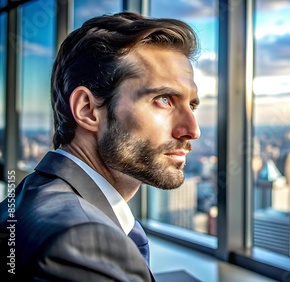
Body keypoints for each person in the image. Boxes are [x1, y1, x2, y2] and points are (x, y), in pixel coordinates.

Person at [0, 11, 200, 281]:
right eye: (164, 99)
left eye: (192, 105)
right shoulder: (81, 243)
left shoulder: (28, 196)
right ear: (88, 110)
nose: (192, 130)